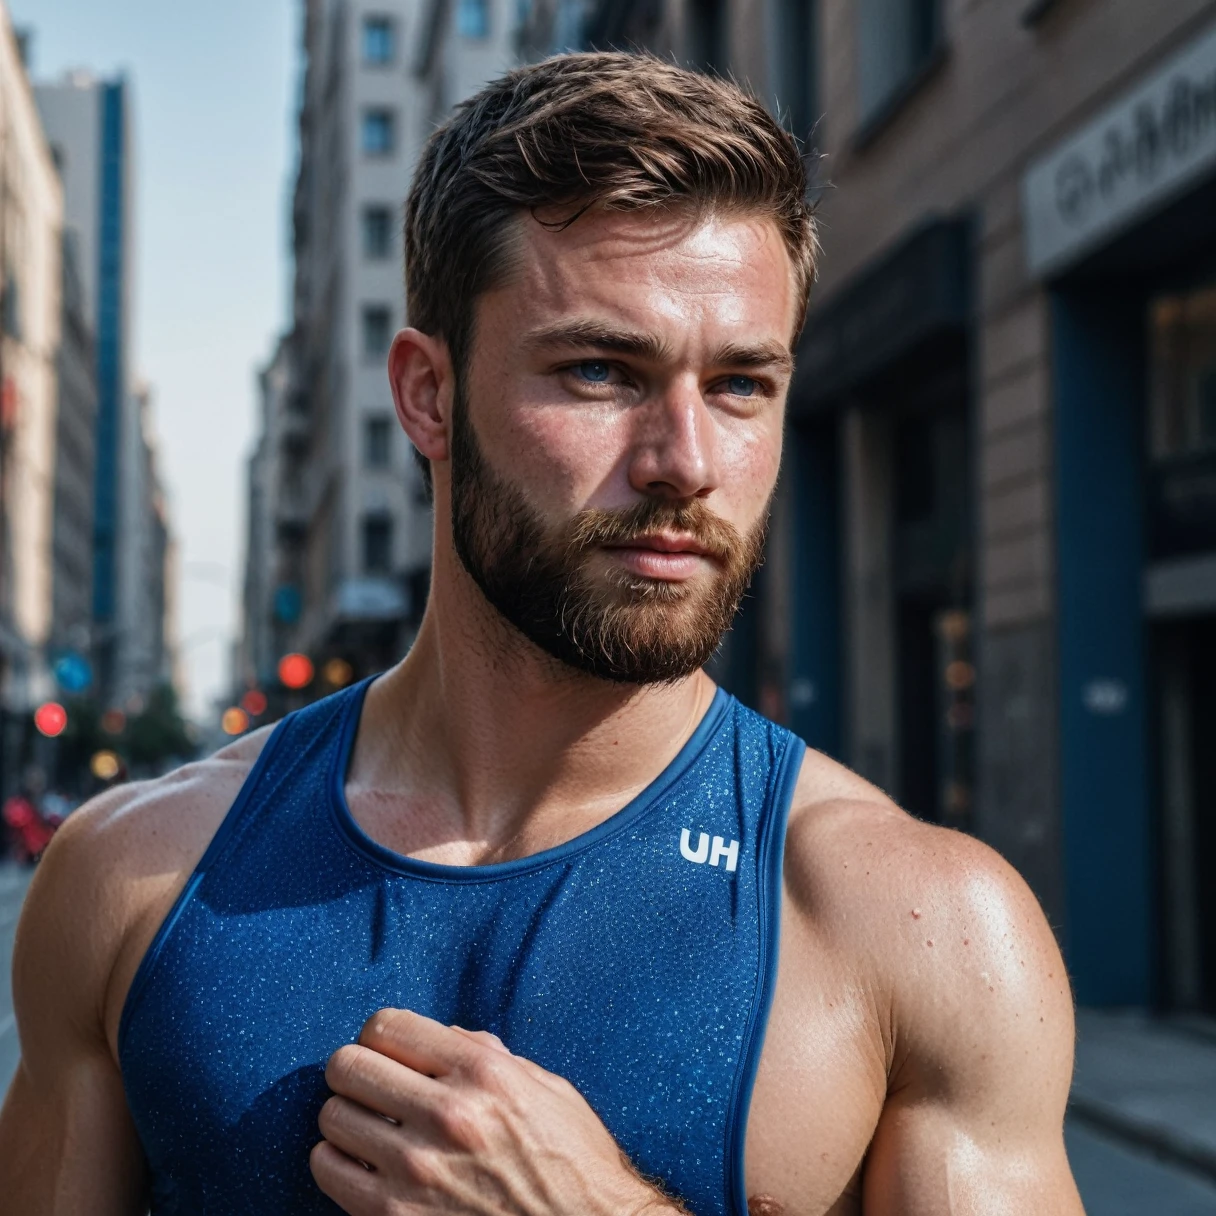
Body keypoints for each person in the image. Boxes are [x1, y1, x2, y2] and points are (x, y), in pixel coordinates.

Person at [0, 53, 1082, 1215]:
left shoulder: (927, 928)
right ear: (426, 395)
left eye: (739, 385)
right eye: (601, 371)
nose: (686, 463)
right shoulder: (132, 881)